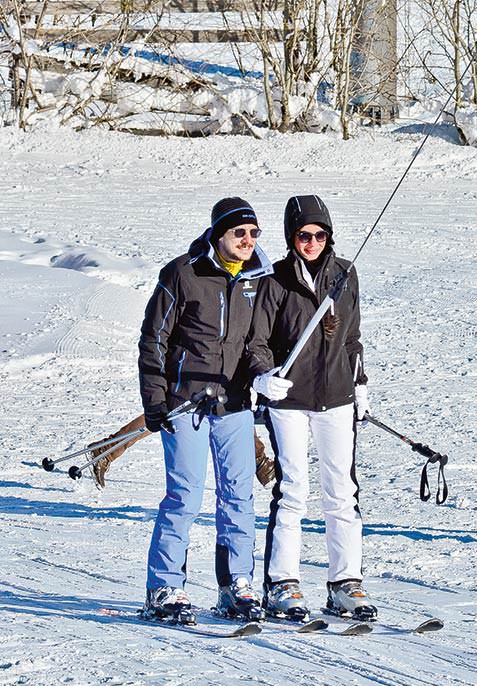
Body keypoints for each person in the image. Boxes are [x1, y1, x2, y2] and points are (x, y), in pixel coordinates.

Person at [138, 197, 273, 622]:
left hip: (233, 404)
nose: (248, 240)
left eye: (254, 233)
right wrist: (156, 400)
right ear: (219, 234)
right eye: (240, 233)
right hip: (186, 404)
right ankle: (164, 588)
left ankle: (235, 585)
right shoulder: (183, 272)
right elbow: (154, 340)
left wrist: (263, 376)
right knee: (185, 496)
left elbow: (255, 343)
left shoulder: (258, 278)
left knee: (239, 497)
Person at [247, 194, 376, 622]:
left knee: (342, 492)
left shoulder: (345, 274)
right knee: (293, 491)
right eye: (304, 235)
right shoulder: (275, 280)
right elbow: (257, 342)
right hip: (290, 401)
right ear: (291, 237)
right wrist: (264, 377)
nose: (312, 242)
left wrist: (359, 383)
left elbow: (352, 337)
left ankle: (345, 583)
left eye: (320, 234)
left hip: (337, 397)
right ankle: (282, 583)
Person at [87, 417, 275, 489]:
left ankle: (261, 464)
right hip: (193, 361)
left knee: (235, 407)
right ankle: (105, 451)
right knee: (166, 412)